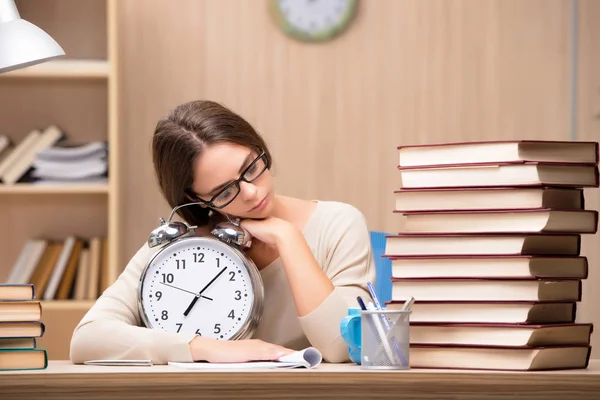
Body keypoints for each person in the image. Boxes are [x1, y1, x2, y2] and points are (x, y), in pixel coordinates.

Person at [69, 100, 376, 365]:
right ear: (196, 199)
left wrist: (288, 238)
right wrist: (208, 349)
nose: (253, 192)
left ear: (258, 146)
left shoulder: (339, 223)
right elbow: (87, 338)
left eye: (251, 168)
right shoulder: (180, 248)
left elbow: (343, 347)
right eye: (225, 191)